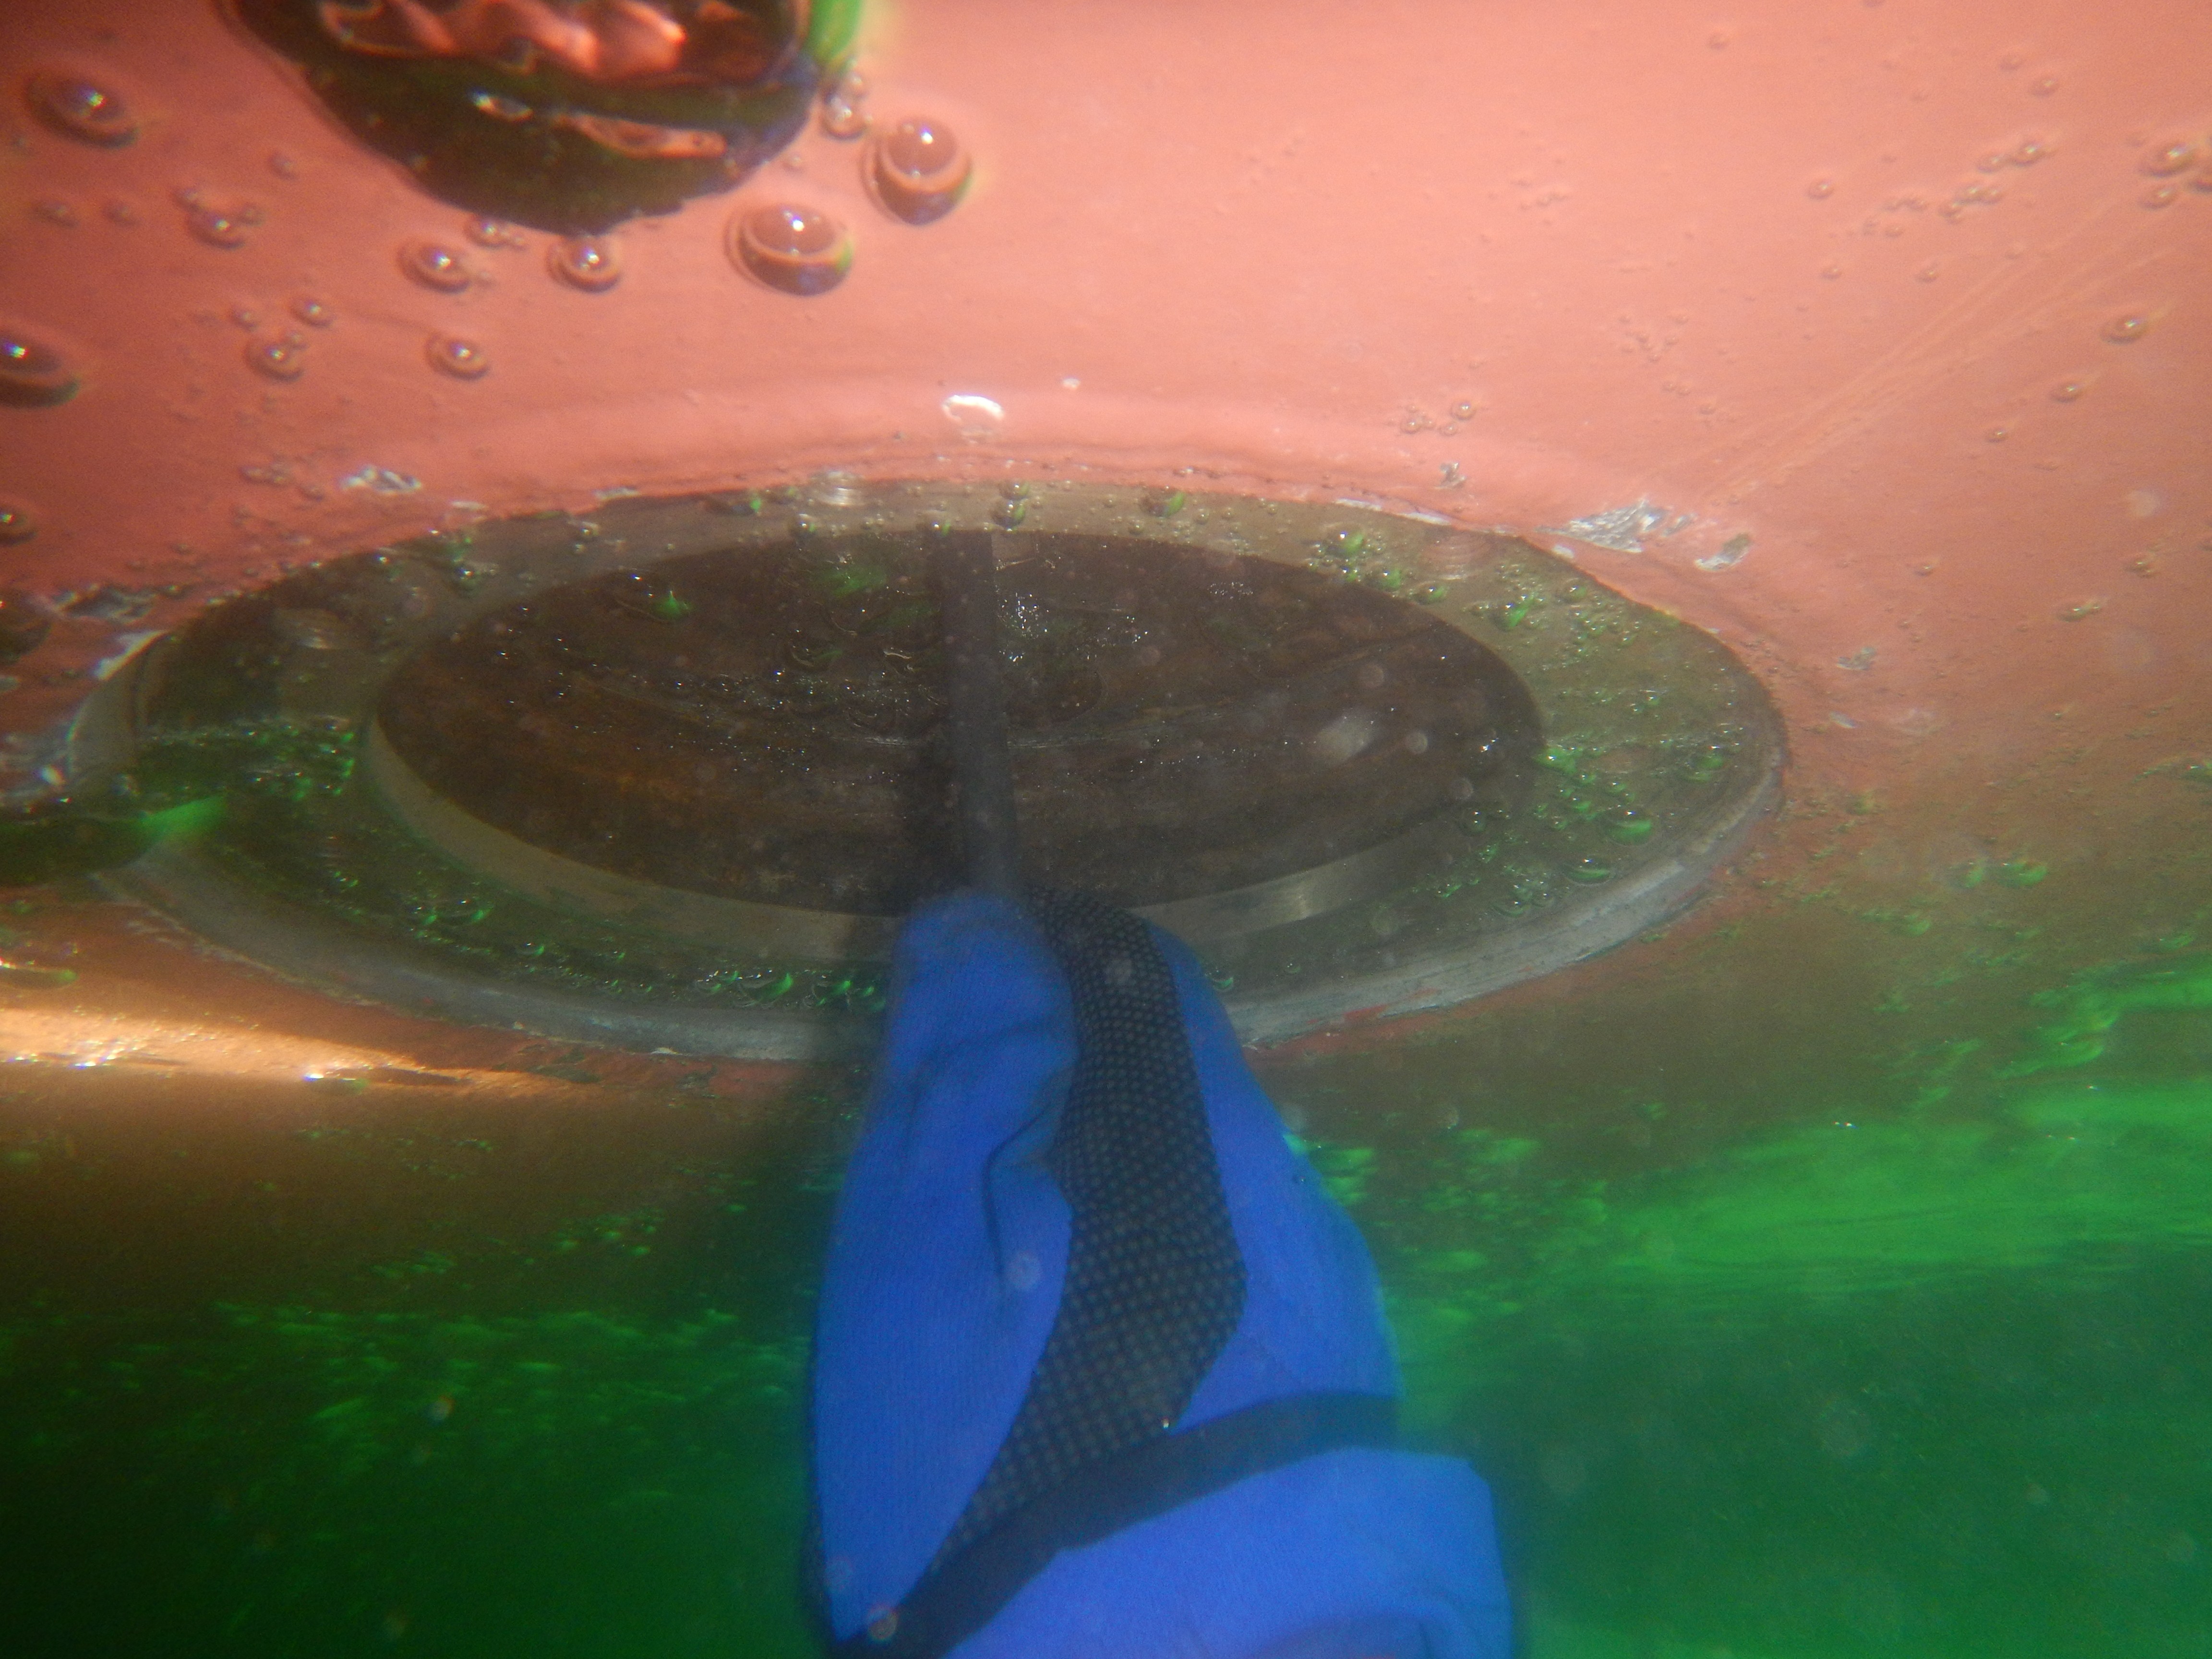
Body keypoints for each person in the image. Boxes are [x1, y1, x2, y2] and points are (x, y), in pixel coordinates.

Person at [809, 888, 1512, 1659]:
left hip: (1132, 1462)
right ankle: (1006, 906)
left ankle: (1012, 903)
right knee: (1029, 969)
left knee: (1052, 965)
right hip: (1023, 1546)